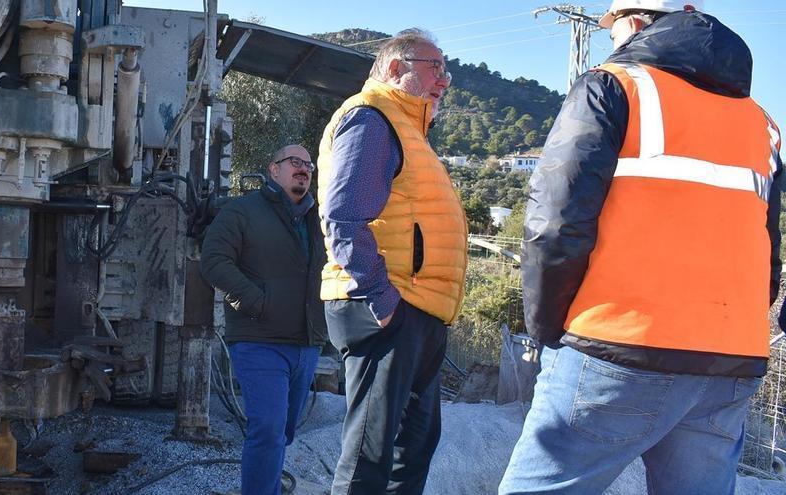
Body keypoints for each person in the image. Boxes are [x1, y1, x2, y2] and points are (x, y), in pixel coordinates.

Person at [500, 1, 783, 493]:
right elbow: (768, 246)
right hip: (731, 358)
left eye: (613, 30)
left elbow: (554, 225)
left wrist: (547, 327)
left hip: (619, 345)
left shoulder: (615, 86)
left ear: (632, 22)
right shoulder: (761, 122)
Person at [316, 29, 468, 494]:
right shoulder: (372, 117)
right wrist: (382, 297)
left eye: (446, 70)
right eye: (434, 67)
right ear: (396, 68)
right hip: (386, 303)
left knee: (414, 448)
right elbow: (343, 215)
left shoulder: (411, 132)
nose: (444, 79)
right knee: (371, 453)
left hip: (419, 307)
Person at [200, 144, 327, 495]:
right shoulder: (242, 211)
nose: (303, 168)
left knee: (283, 431)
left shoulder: (320, 219)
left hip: (307, 344)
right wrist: (257, 301)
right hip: (259, 340)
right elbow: (213, 260)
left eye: (308, 164)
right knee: (268, 427)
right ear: (273, 169)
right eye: (294, 162)